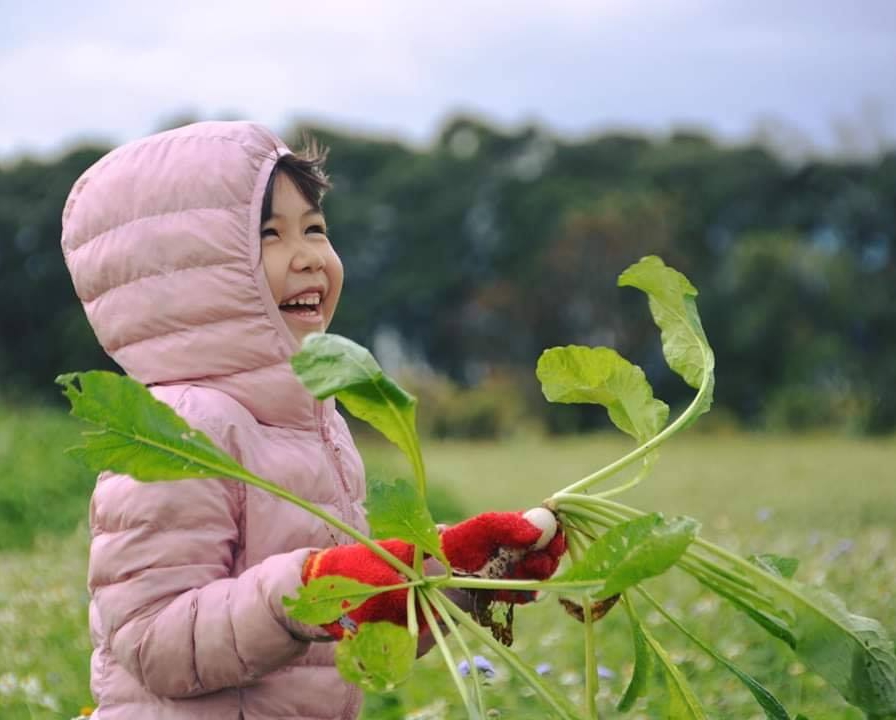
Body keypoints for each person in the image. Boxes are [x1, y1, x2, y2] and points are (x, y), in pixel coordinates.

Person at [61, 121, 565, 720]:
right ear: (181, 276)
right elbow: (154, 641)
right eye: (269, 235)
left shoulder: (315, 421)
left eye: (315, 229)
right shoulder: (183, 428)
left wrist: (458, 574)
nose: (308, 257)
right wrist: (312, 589)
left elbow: (345, 630)